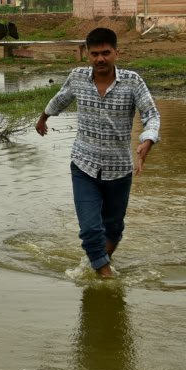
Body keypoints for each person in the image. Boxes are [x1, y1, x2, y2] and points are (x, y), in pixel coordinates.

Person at [36, 27, 159, 280]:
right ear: (87, 55)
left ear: (116, 53)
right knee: (91, 228)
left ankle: (95, 260)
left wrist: (147, 139)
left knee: (113, 228)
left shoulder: (133, 81)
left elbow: (151, 114)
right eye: (94, 54)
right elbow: (61, 99)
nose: (100, 59)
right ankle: (105, 275)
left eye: (106, 53)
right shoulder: (78, 77)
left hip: (119, 169)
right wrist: (43, 118)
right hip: (84, 165)